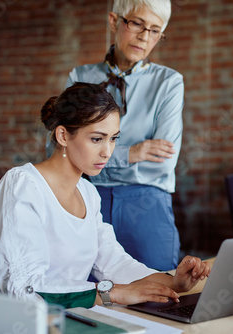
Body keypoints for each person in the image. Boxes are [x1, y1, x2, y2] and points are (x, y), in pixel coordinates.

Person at [0, 83, 209, 308]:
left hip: (69, 317)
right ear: (63, 135)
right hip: (14, 321)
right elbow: (22, 287)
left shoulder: (88, 192)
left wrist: (174, 282)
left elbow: (114, 263)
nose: (108, 151)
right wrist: (112, 294)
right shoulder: (22, 185)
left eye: (113, 138)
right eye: (96, 139)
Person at [63, 0, 183, 271]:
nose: (144, 36)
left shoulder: (169, 83)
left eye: (155, 30)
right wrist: (132, 153)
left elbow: (163, 162)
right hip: (86, 199)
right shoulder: (81, 77)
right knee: (88, 295)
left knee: (158, 296)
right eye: (137, 23)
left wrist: (92, 158)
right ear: (114, 21)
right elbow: (62, 152)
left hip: (147, 205)